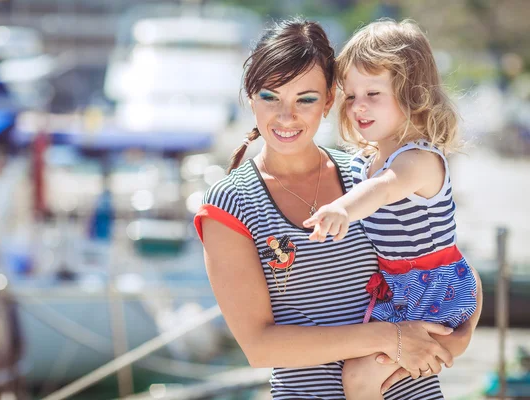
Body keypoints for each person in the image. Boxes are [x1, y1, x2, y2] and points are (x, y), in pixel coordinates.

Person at [194, 18, 482, 399]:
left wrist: (457, 341)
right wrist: (392, 338)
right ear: (250, 97)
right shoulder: (230, 203)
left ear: (330, 99)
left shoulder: (369, 173)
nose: (285, 116)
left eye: (306, 98)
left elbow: (449, 264)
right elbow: (259, 347)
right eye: (270, 96)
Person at [302, 19, 481, 399]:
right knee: (370, 370)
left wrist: (341, 210)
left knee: (359, 377)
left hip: (433, 292)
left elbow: (383, 189)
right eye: (350, 96)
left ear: (412, 94)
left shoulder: (417, 160)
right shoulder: (364, 160)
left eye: (373, 93)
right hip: (402, 290)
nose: (358, 106)